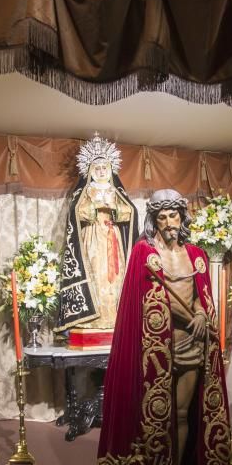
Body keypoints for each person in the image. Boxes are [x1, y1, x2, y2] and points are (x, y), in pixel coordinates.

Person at [95, 189, 232, 465]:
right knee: (157, 413)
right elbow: (151, 298)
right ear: (153, 221)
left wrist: (199, 313)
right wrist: (191, 316)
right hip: (157, 346)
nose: (169, 222)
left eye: (173, 215)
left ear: (182, 217)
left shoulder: (195, 254)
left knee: (182, 413)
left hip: (192, 343)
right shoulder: (145, 253)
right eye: (162, 217)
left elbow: (200, 293)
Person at [57, 132, 139, 333]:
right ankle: (93, 319)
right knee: (96, 273)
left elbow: (131, 212)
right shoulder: (86, 191)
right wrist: (95, 207)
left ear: (110, 169)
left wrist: (114, 208)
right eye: (97, 168)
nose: (102, 172)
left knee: (116, 277)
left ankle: (117, 319)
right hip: (92, 238)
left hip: (113, 237)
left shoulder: (115, 191)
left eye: (105, 168)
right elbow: (77, 213)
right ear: (91, 170)